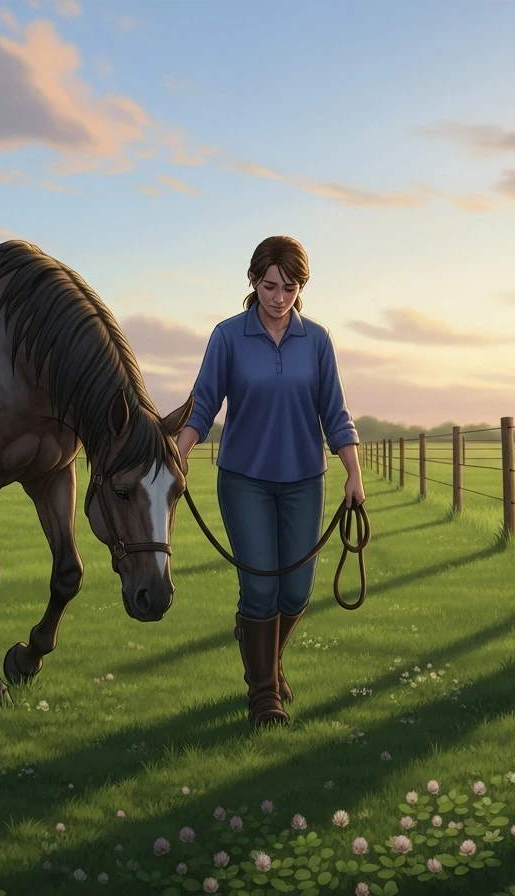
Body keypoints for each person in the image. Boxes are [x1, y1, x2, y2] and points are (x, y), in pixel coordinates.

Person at [175, 236, 364, 725]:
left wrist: (353, 472)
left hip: (305, 479)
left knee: (296, 592)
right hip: (245, 480)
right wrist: (180, 452)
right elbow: (203, 401)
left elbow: (335, 412)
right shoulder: (227, 336)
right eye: (269, 285)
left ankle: (263, 653)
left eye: (289, 287)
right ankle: (264, 695)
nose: (279, 297)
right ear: (253, 282)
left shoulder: (318, 341)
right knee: (259, 589)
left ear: (302, 287)